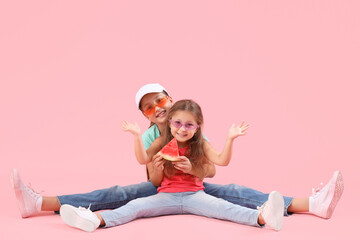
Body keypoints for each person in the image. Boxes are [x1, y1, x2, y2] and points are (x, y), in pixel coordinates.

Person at [10, 83, 344, 222]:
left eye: (160, 101)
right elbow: (151, 174)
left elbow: (211, 168)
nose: (156, 108)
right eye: (147, 108)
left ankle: (311, 204)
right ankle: (41, 203)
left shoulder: (186, 122)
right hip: (161, 187)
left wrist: (196, 164)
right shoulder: (156, 134)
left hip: (192, 185)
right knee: (119, 194)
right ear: (144, 116)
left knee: (235, 192)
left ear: (171, 100)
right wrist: (151, 154)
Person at [59, 99, 285, 232]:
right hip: (165, 196)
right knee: (134, 207)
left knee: (225, 209)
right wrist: (137, 135)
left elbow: (221, 161)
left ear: (197, 127)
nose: (182, 129)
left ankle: (264, 217)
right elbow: (142, 158)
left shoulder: (201, 144)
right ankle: (94, 220)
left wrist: (230, 139)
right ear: (169, 123)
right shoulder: (162, 140)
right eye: (177, 123)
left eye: (189, 124)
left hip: (196, 195)